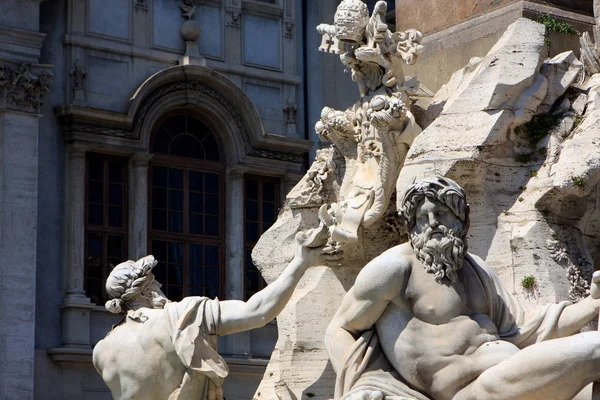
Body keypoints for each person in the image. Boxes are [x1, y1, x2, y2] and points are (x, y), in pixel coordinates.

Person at [326, 176, 600, 400]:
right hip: (473, 390)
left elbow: (527, 330)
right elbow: (340, 328)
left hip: (514, 374)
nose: (432, 224)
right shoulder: (394, 268)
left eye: (441, 213)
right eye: (422, 218)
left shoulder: (477, 269)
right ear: (411, 227)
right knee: (595, 348)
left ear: (463, 220)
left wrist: (591, 305)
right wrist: (360, 385)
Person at [93, 240, 321, 400]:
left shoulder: (102, 351)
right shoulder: (183, 315)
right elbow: (258, 311)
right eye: (153, 282)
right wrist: (301, 261)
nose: (160, 286)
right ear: (144, 292)